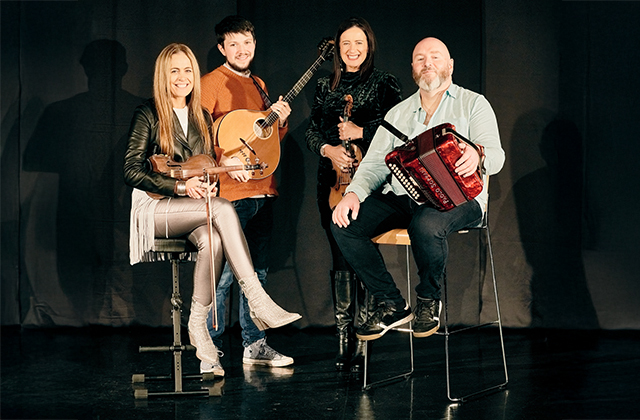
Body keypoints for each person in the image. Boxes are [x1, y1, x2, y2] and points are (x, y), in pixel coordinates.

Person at [123, 43, 301, 374]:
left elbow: (204, 161)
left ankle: (199, 328)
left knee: (214, 240)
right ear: (163, 75)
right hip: (154, 209)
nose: (182, 77)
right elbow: (131, 170)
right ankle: (257, 298)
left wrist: (226, 163)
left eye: (188, 70)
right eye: (174, 70)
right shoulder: (148, 113)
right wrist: (180, 186)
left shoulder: (201, 116)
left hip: (188, 208)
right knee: (221, 208)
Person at [331, 37, 505, 341]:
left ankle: (428, 300)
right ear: (413, 67)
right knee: (345, 224)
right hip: (405, 195)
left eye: (436, 57)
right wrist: (353, 194)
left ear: (450, 65)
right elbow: (373, 165)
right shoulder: (397, 114)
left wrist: (478, 153)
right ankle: (391, 303)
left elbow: (497, 155)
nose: (428, 63)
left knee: (425, 224)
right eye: (420, 58)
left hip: (460, 197)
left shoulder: (473, 103)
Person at [305, 17, 402, 372]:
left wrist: (361, 130)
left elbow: (399, 128)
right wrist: (327, 150)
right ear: (338, 48)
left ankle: (365, 337)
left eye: (359, 42)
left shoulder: (384, 83)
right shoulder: (323, 85)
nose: (352, 50)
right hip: (331, 179)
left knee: (360, 251)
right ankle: (344, 340)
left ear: (369, 45)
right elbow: (313, 132)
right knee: (339, 253)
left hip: (371, 180)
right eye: (346, 43)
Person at [200, 16, 294, 375]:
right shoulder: (210, 84)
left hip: (262, 191)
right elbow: (196, 136)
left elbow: (265, 144)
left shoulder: (259, 84)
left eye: (248, 43)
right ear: (222, 48)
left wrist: (280, 121)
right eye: (234, 44)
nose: (242, 50)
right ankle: (209, 349)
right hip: (229, 196)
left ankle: (254, 345)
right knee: (222, 275)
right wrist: (225, 160)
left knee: (259, 273)